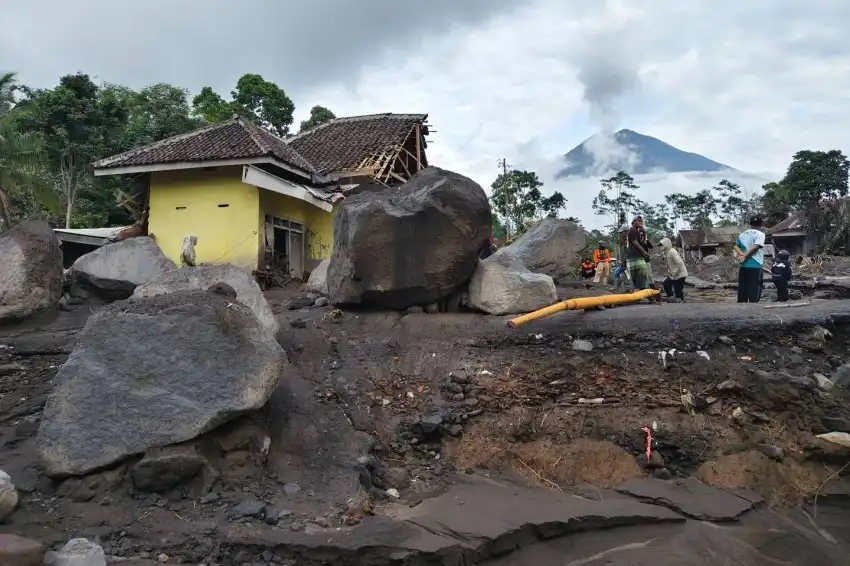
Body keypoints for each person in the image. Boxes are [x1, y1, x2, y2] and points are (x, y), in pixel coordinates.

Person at [735, 217, 766, 303]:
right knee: (755, 286)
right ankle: (753, 305)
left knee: (743, 286)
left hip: (743, 265)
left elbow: (736, 246)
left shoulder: (742, 234)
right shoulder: (760, 234)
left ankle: (742, 304)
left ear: (750, 224)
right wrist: (745, 256)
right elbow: (756, 247)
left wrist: (741, 254)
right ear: (760, 225)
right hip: (755, 264)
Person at [626, 216, 651, 291]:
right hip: (636, 257)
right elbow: (635, 242)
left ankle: (639, 291)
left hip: (635, 256)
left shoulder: (636, 230)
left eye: (641, 221)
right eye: (639, 220)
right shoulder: (633, 230)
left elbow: (640, 242)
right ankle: (641, 291)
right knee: (642, 274)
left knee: (639, 275)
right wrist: (644, 252)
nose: (640, 222)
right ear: (634, 221)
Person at [660, 237, 688, 301]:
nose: (661, 247)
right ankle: (671, 297)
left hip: (679, 274)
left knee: (678, 291)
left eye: (662, 245)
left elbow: (679, 263)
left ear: (666, 244)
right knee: (666, 284)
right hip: (674, 274)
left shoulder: (672, 252)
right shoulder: (668, 252)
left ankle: (679, 299)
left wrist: (674, 272)